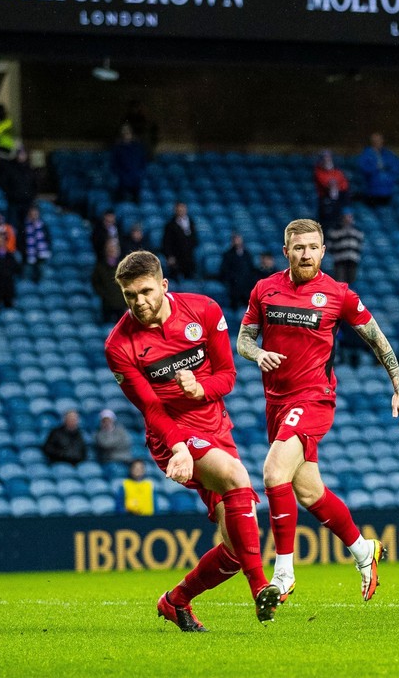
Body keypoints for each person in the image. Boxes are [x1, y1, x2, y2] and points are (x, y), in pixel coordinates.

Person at [238, 219, 399, 603]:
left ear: (323, 251)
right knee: (308, 490)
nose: (306, 254)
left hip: (314, 397)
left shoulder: (338, 294)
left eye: (313, 247)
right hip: (276, 403)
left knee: (272, 472)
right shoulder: (264, 289)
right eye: (298, 247)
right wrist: (258, 353)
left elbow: (377, 339)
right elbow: (244, 340)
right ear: (286, 251)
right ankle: (364, 551)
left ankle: (283, 574)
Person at [105, 251, 281, 627]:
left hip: (216, 426)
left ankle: (175, 601)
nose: (139, 302)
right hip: (171, 433)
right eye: (129, 295)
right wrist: (180, 448)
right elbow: (151, 409)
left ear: (164, 285)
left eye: (146, 291)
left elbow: (228, 377)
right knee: (237, 477)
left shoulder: (203, 311)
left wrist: (200, 388)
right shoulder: (119, 346)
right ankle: (261, 589)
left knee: (235, 549)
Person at [218, 232, 259, 310]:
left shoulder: (247, 254)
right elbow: (225, 271)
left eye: (238, 239)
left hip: (247, 283)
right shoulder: (227, 254)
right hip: (234, 283)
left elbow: (252, 269)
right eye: (235, 240)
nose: (237, 241)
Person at [358, 133, 399, 207]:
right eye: (375, 140)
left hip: (387, 191)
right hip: (372, 192)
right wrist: (375, 167)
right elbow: (363, 169)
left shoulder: (388, 154)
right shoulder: (366, 154)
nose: (377, 142)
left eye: (379, 140)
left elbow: (395, 168)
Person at [111, 123, 148, 203]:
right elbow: (114, 164)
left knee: (136, 201)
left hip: (136, 179)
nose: (126, 135)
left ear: (131, 134)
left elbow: (143, 163)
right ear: (121, 134)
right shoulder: (118, 148)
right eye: (124, 133)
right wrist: (121, 175)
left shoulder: (137, 147)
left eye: (128, 133)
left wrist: (139, 174)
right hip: (122, 180)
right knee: (121, 201)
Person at [2, 149, 37, 231]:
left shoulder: (30, 170)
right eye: (20, 154)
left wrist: (30, 197)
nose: (21, 156)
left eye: (23, 154)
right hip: (13, 203)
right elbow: (5, 185)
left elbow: (35, 186)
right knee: (13, 227)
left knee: (26, 227)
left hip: (27, 203)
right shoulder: (10, 169)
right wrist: (11, 196)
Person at [313, 150, 349, 230]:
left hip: (338, 201)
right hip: (325, 201)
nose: (327, 160)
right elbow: (326, 184)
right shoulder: (318, 172)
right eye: (325, 158)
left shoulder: (338, 172)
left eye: (328, 158)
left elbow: (344, 185)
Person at [92, 238, 126, 323]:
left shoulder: (125, 266)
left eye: (114, 248)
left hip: (121, 304)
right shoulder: (100, 267)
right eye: (110, 248)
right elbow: (95, 283)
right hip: (107, 304)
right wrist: (104, 294)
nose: (112, 250)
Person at [161, 201, 197, 280]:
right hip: (176, 257)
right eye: (179, 209)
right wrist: (169, 256)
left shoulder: (191, 222)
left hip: (189, 257)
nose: (181, 210)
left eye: (182, 208)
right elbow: (166, 242)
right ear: (175, 210)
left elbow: (195, 238)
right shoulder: (170, 225)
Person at [327, 210, 364, 284]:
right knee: (340, 281)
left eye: (349, 217)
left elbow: (360, 246)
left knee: (352, 281)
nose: (348, 219)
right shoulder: (335, 231)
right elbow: (329, 246)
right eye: (346, 217)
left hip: (353, 260)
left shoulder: (357, 231)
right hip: (339, 260)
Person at [20, 205, 52, 283]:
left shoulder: (43, 225)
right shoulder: (23, 227)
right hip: (28, 257)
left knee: (43, 278)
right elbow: (20, 241)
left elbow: (48, 239)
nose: (34, 215)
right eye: (32, 213)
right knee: (27, 278)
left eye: (35, 213)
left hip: (42, 256)